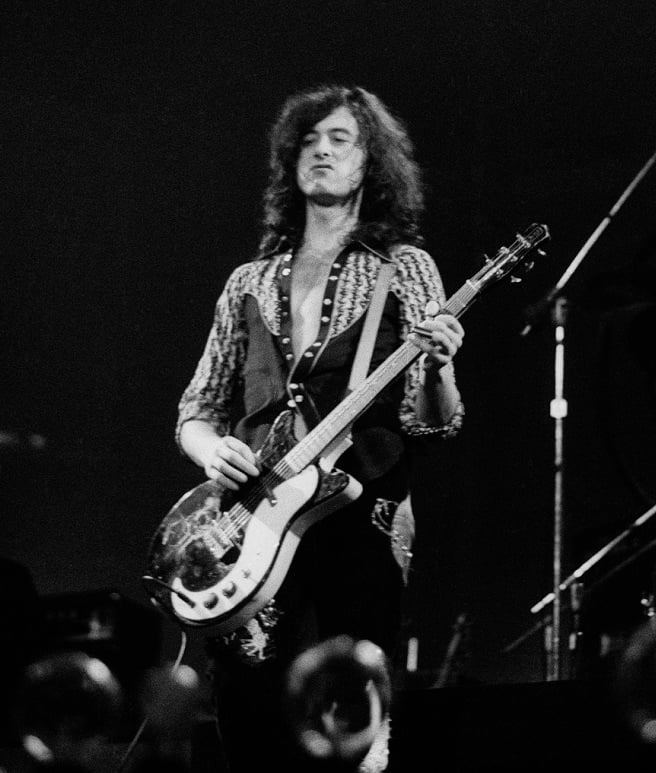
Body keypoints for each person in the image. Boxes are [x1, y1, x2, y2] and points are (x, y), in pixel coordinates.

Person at [174, 84, 464, 773]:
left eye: (341, 139)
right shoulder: (248, 281)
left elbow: (435, 424)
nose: (322, 151)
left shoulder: (405, 268)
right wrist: (214, 452)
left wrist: (441, 367)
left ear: (371, 162)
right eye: (309, 140)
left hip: (359, 509)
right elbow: (196, 408)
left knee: (351, 707)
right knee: (244, 704)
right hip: (254, 517)